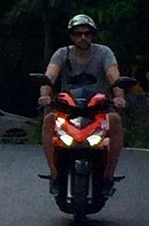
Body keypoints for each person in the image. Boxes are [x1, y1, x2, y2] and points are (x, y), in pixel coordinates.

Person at [39, 15, 126, 187]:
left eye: (87, 33)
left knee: (115, 120)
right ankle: (54, 173)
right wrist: (45, 96)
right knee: (49, 120)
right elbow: (49, 76)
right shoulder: (62, 54)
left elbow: (114, 76)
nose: (83, 38)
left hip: (98, 107)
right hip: (68, 107)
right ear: (72, 36)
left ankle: (109, 175)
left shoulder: (104, 53)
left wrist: (119, 97)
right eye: (78, 34)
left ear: (92, 35)